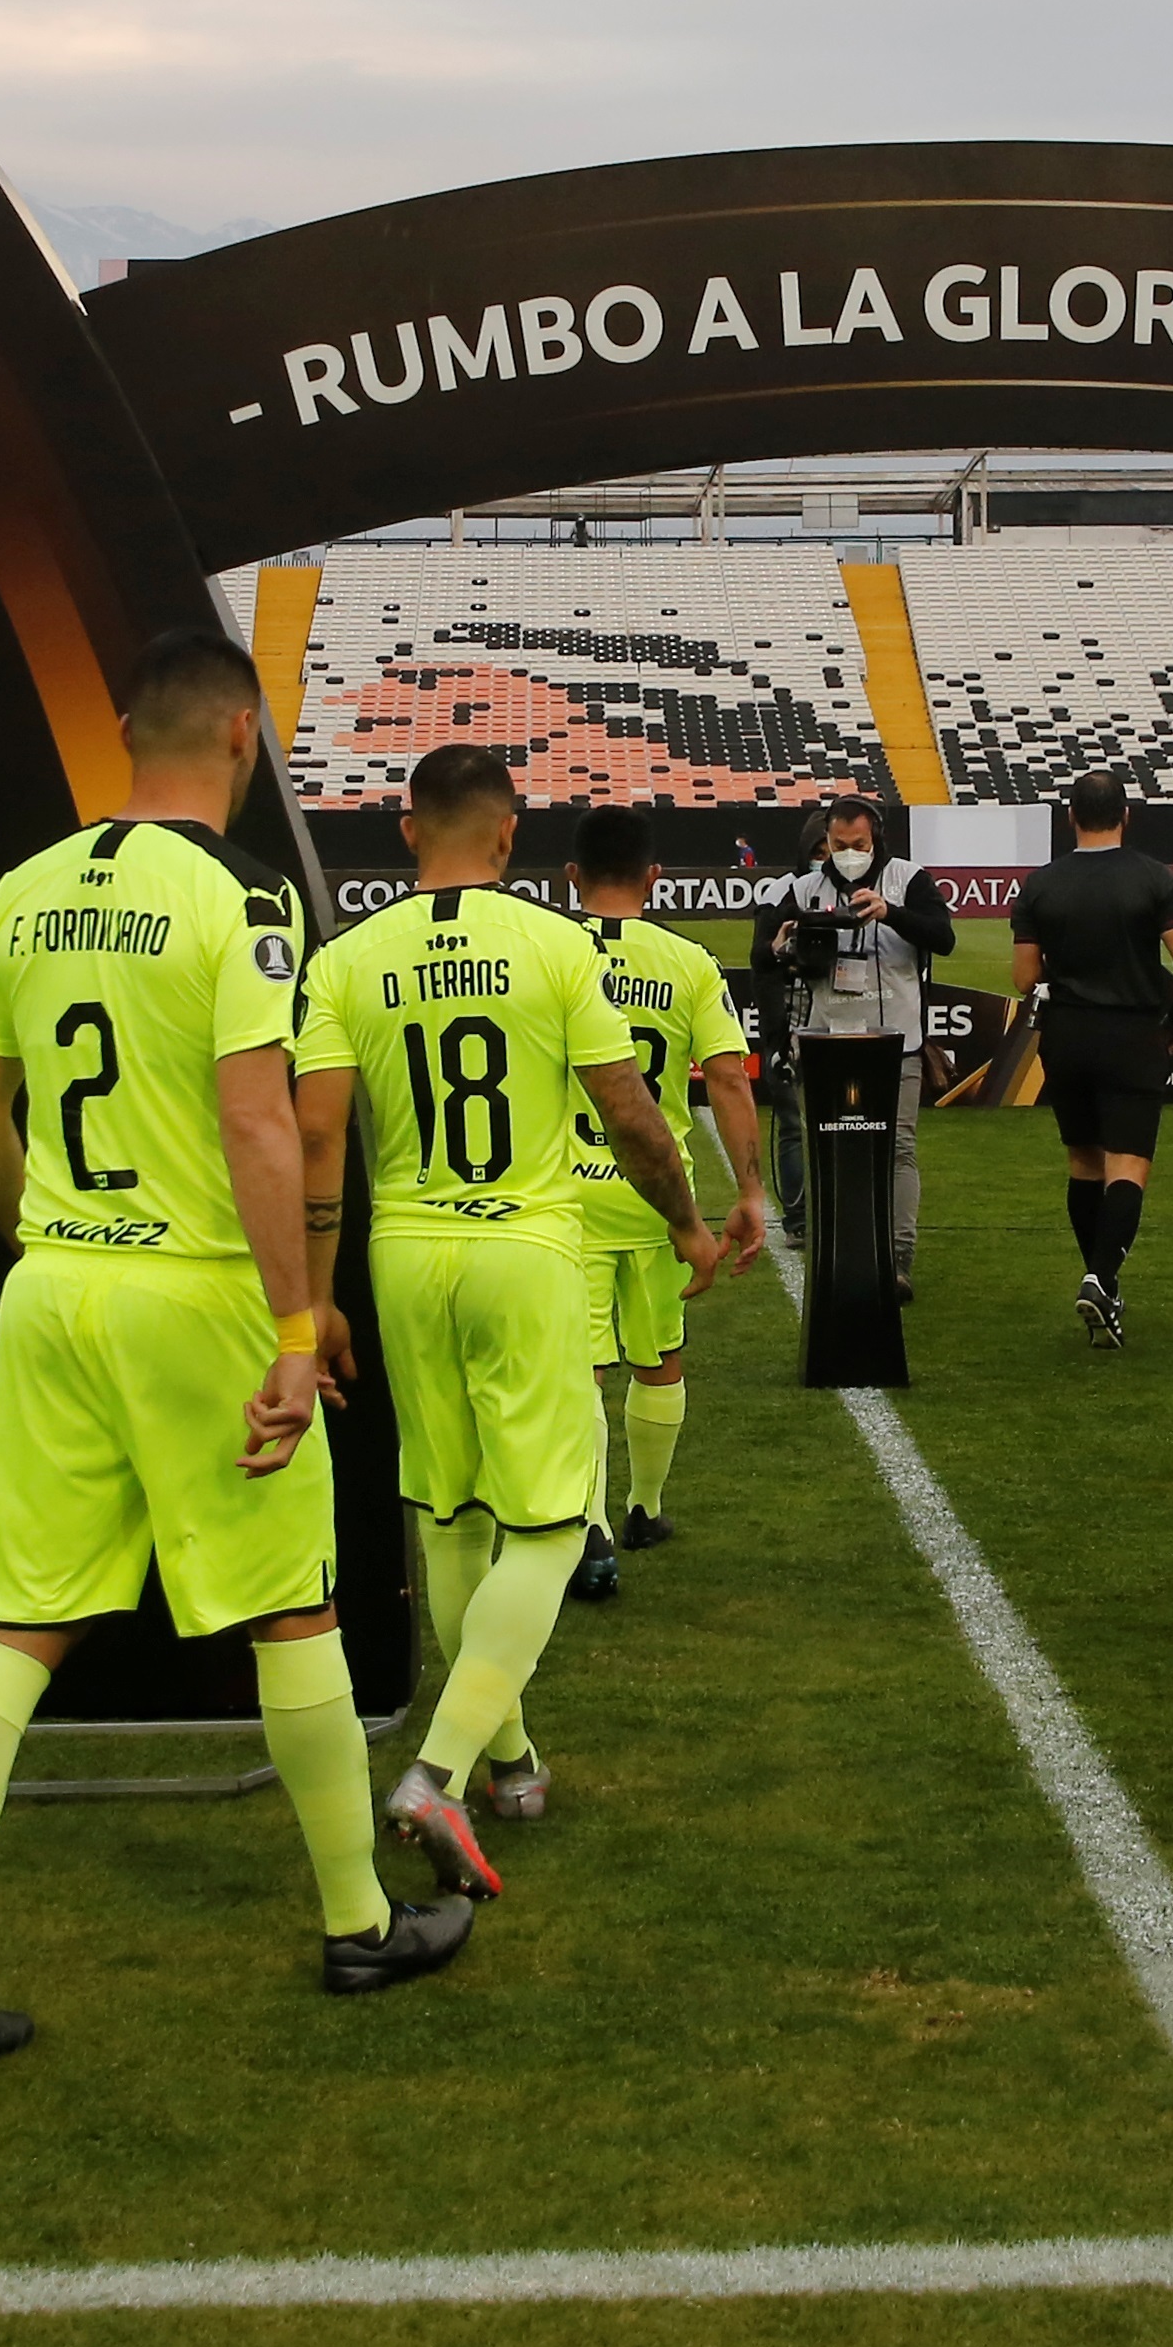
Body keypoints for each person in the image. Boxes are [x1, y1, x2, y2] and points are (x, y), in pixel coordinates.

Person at [0, 627, 474, 2069]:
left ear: (124, 734)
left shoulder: (23, 889)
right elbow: (261, 1121)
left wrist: (45, 1242)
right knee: (291, 1609)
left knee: (18, 1624)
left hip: (57, 1292)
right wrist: (293, 1324)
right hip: (196, 1295)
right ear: (237, 740)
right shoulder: (242, 892)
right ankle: (355, 1922)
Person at [298, 746, 721, 1883]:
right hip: (524, 1247)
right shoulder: (553, 943)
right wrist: (686, 1219)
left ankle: (513, 1755)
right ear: (508, 835)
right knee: (542, 1522)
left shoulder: (348, 958)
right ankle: (437, 1775)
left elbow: (316, 1143)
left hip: (407, 1252)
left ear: (405, 832)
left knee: (450, 1514)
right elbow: (628, 1109)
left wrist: (315, 1298)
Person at [568, 804, 772, 1598]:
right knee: (658, 1356)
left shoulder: (547, 951)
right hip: (660, 1196)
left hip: (564, 1191)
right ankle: (645, 1507)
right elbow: (726, 1077)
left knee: (577, 1369)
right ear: (655, 878)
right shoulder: (688, 961)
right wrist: (750, 1190)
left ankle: (587, 1527)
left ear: (571, 878)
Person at [1004, 768, 1173, 1352]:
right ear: (1127, 815)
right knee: (1128, 1167)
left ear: (1070, 817)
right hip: (1132, 1034)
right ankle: (1103, 1276)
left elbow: (1024, 977)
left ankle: (1103, 1288)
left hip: (1067, 1035)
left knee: (1084, 1164)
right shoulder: (1154, 878)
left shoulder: (1041, 884)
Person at [751, 788, 955, 1298]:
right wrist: (780, 948)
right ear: (826, 840)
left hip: (896, 1040)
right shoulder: (803, 888)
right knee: (832, 1149)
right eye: (838, 842)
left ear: (875, 839)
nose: (847, 852)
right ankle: (838, 1251)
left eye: (857, 842)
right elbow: (762, 954)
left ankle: (899, 1260)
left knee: (898, 1149)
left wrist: (889, 912)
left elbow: (943, 937)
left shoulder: (909, 879)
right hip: (826, 1038)